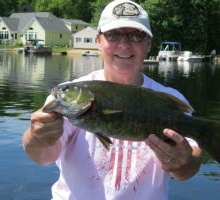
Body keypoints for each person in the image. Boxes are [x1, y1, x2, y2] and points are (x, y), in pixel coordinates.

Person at [22, 0, 202, 199]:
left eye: (136, 35)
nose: (124, 45)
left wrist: (183, 162)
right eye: (113, 35)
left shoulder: (171, 99)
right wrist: (35, 136)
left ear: (148, 44)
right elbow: (43, 156)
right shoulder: (68, 98)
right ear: (98, 40)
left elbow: (188, 170)